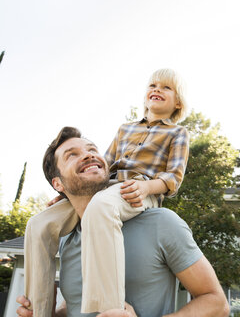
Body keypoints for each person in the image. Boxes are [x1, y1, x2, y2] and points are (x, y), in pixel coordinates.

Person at [24, 69, 190, 316]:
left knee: (100, 207)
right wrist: (67, 195)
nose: (157, 90)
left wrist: (146, 187)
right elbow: (105, 164)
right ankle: (38, 310)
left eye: (166, 87)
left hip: (141, 191)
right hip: (108, 189)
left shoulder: (177, 133)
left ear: (177, 102)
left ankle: (110, 307)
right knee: (38, 224)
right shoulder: (125, 129)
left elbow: (173, 177)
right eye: (152, 85)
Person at [18, 127, 229, 317]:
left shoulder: (161, 224)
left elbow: (217, 304)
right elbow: (76, 306)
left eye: (92, 149)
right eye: (72, 155)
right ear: (58, 183)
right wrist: (53, 313)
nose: (88, 154)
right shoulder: (67, 240)